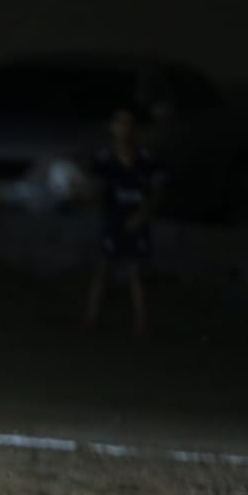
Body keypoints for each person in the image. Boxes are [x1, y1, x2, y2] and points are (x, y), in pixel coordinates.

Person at [82, 104, 167, 339]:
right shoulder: (104, 158)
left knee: (136, 273)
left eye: (129, 123)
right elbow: (94, 189)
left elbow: (157, 192)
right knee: (102, 269)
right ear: (112, 127)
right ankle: (90, 319)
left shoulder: (147, 159)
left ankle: (141, 323)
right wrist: (88, 196)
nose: (124, 128)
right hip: (113, 219)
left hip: (137, 220)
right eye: (119, 122)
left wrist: (142, 214)